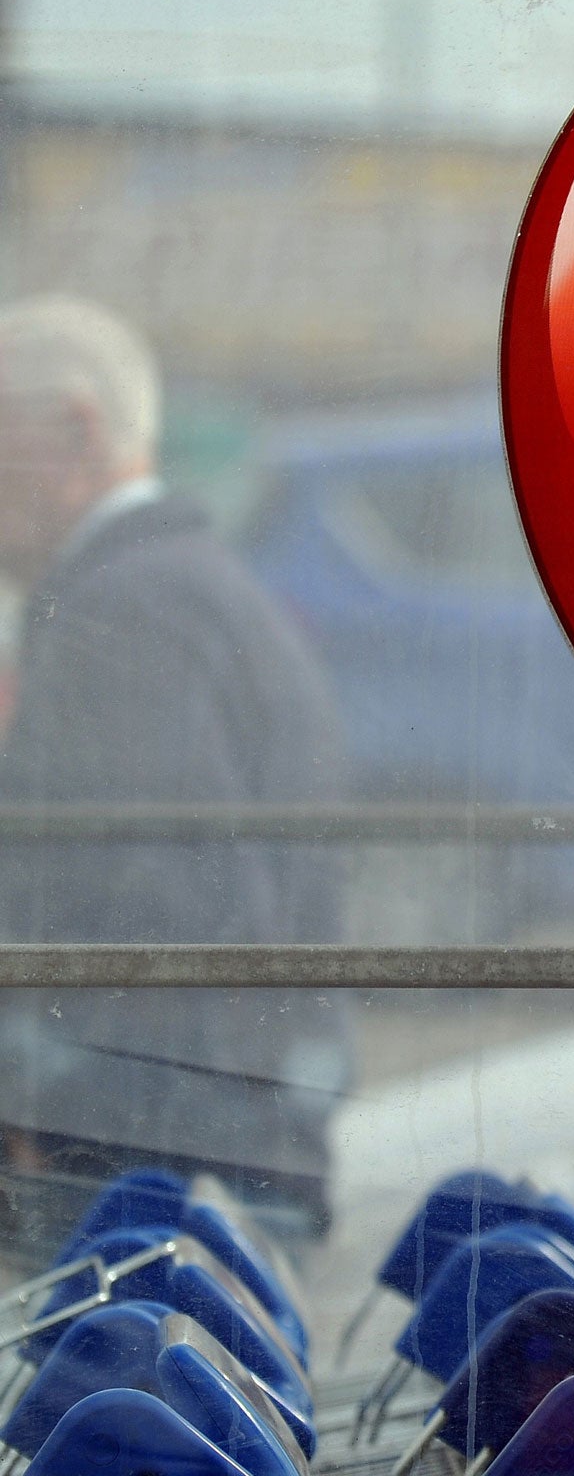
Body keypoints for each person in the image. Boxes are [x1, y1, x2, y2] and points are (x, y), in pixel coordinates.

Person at [0, 296, 353, 1250]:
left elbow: (158, 893)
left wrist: (39, 1093)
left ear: (73, 429)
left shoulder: (125, 610)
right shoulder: (189, 585)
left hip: (152, 1153)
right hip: (229, 1135)